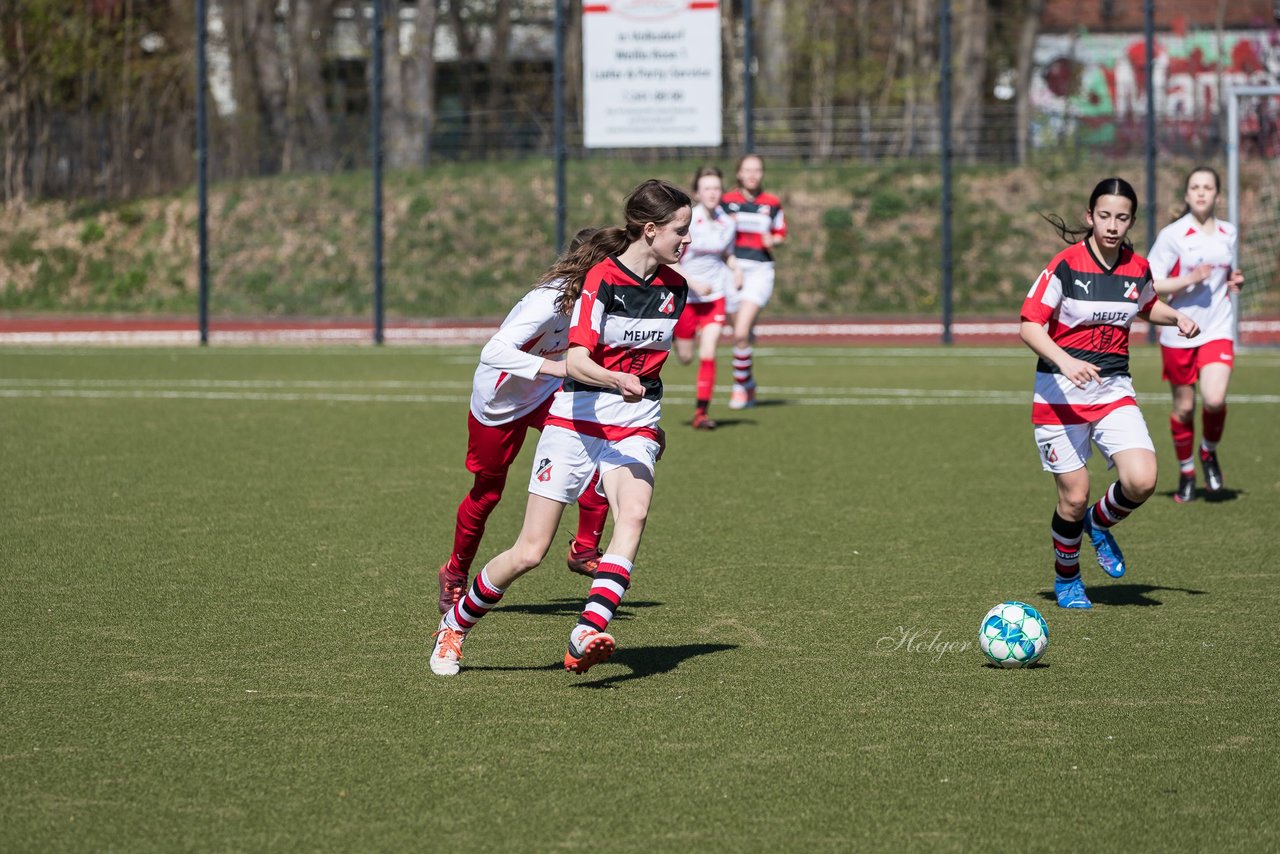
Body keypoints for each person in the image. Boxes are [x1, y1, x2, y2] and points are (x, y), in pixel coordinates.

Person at [430, 179, 692, 677]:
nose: (688, 241)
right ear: (652, 229)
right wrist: (615, 378)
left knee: (632, 516)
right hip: (573, 419)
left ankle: (587, 629)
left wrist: (650, 421)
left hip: (632, 423)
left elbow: (648, 365)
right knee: (529, 551)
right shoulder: (599, 281)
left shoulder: (675, 289)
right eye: (681, 231)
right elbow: (575, 359)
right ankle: (456, 626)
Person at [1020, 177, 1200, 610]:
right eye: (1104, 216)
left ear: (1131, 220)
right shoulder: (1065, 264)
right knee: (1074, 496)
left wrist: (1175, 317)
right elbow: (1029, 324)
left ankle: (1099, 525)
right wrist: (1065, 361)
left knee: (1142, 479)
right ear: (1089, 217)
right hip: (1059, 396)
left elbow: (1146, 304)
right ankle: (1067, 581)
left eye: (1122, 217)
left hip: (1113, 389)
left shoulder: (1136, 267)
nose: (1112, 225)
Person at [435, 228, 613, 616]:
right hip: (499, 402)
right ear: (593, 266)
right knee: (488, 493)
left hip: (546, 394)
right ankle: (454, 573)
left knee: (603, 446)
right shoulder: (548, 301)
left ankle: (584, 548)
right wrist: (556, 367)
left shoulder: (602, 297)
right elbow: (492, 350)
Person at [1146, 166, 1246, 503]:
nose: (1201, 192)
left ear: (1217, 195)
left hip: (1218, 326)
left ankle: (1208, 451)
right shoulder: (1172, 235)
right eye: (1195, 187)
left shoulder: (1229, 233)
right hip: (1179, 331)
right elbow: (1151, 283)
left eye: (1207, 187)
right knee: (1185, 408)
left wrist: (1236, 280)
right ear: (1187, 195)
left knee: (1215, 399)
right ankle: (1187, 471)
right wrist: (1188, 280)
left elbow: (1229, 273)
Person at [672, 166, 739, 430]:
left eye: (717, 188)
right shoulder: (688, 222)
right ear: (697, 192)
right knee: (686, 357)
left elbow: (726, 254)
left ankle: (701, 413)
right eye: (707, 188)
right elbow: (669, 262)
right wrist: (693, 282)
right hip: (688, 298)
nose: (713, 193)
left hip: (715, 297)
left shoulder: (728, 221)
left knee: (708, 351)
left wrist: (737, 268)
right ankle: (679, 338)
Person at [721, 153, 786, 410]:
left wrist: (774, 240)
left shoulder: (771, 203)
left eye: (757, 170)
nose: (752, 175)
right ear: (738, 173)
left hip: (759, 268)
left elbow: (780, 232)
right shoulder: (726, 202)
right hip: (731, 269)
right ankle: (748, 382)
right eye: (747, 170)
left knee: (739, 334)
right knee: (741, 334)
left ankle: (739, 388)